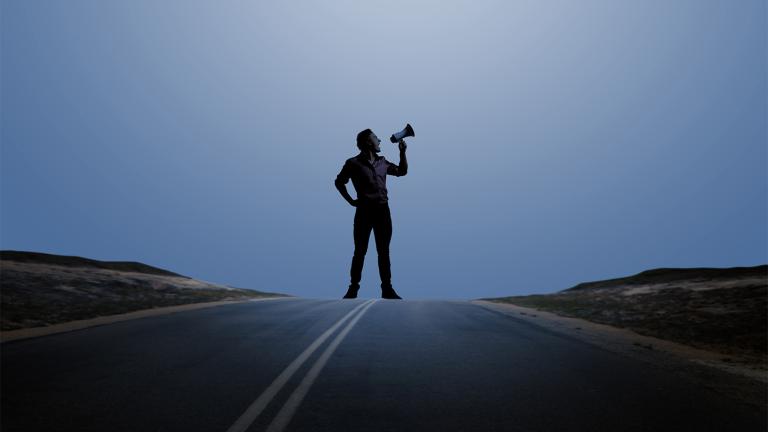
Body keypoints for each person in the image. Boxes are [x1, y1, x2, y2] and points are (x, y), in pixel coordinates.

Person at [334, 128, 408, 299]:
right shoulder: (352, 163)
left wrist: (403, 153)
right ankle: (353, 289)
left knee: (384, 251)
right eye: (376, 138)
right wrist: (351, 201)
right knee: (360, 251)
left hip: (383, 211)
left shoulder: (383, 162)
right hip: (364, 212)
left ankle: (387, 289)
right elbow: (339, 182)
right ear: (368, 142)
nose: (379, 140)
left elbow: (402, 172)